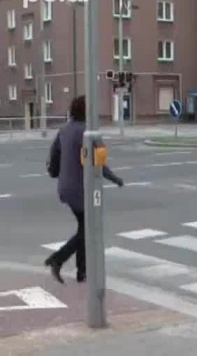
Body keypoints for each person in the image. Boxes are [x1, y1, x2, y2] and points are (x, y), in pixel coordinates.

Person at [45, 96, 124, 284]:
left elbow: (54, 156)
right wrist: (115, 179)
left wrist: (55, 172)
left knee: (84, 227)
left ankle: (82, 272)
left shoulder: (64, 130)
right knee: (89, 228)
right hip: (80, 190)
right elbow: (100, 163)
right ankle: (58, 259)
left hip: (65, 188)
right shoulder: (88, 133)